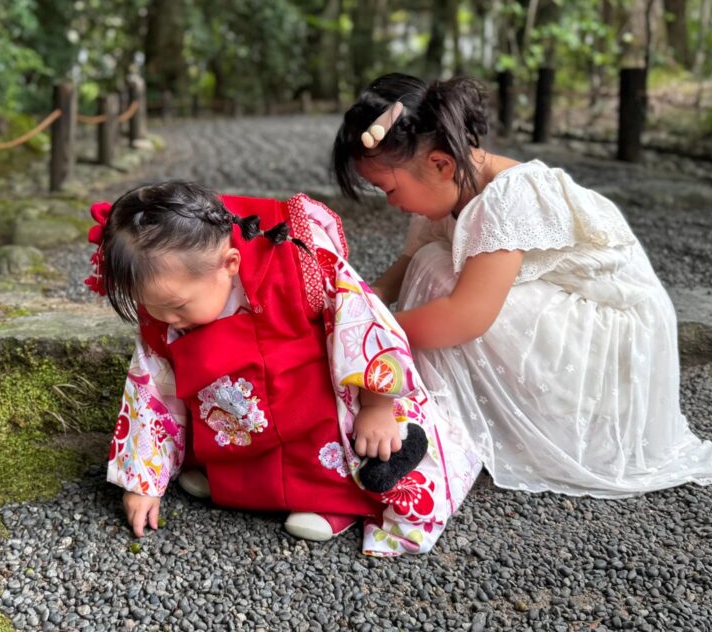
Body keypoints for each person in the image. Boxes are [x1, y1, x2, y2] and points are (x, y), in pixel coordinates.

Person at [331, 72, 712, 498]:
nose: (391, 202)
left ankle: (434, 419)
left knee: (439, 277)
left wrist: (366, 339)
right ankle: (415, 402)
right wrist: (355, 302)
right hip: (556, 313)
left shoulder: (509, 197)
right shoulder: (449, 184)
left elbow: (466, 317)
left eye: (388, 189)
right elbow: (402, 268)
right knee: (427, 263)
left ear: (440, 163)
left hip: (613, 332)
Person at [87, 181, 480, 556]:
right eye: (152, 307)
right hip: (234, 421)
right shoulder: (167, 304)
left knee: (350, 448)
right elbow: (151, 390)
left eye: (177, 306)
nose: (166, 319)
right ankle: (232, 481)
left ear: (229, 263)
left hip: (310, 401)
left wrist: (377, 407)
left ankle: (335, 502)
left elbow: (365, 324)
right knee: (223, 430)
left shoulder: (296, 258)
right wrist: (143, 482)